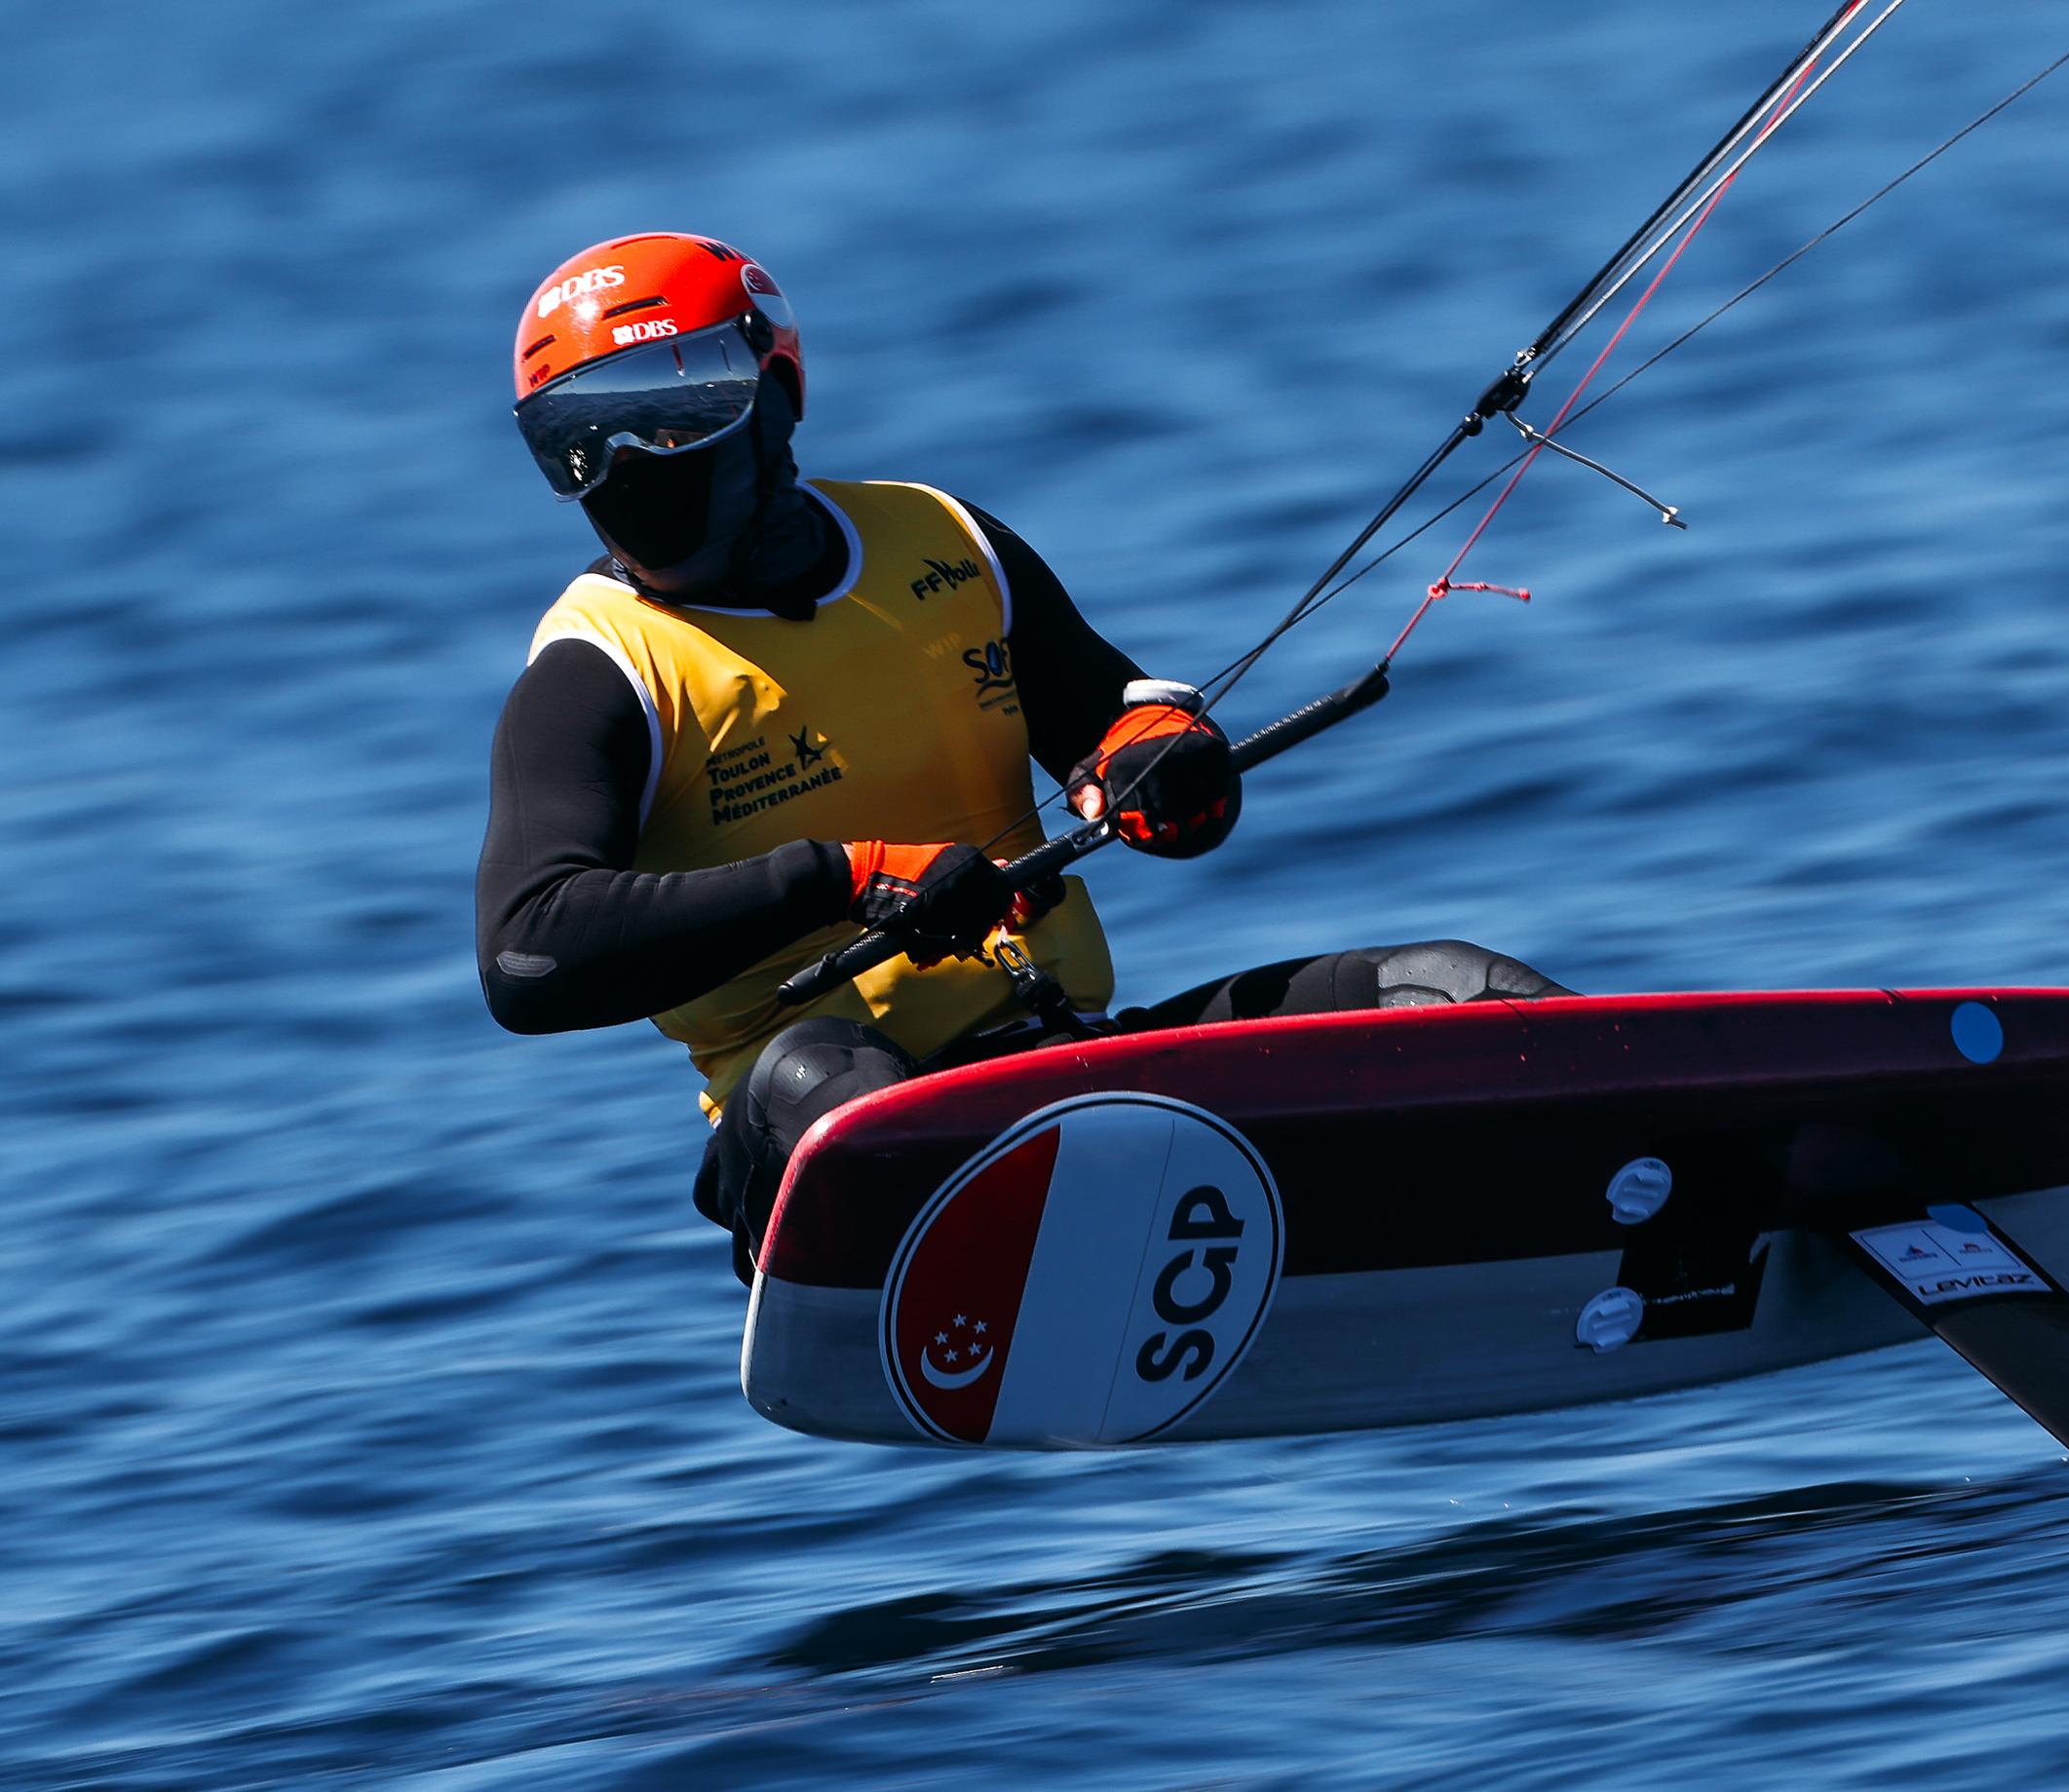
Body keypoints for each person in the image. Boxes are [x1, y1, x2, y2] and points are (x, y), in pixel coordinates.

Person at [477, 233, 1566, 1282]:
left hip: (1071, 1060)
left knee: (1454, 987)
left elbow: (1124, 740)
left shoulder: (943, 541)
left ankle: (1628, 1206)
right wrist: (852, 879)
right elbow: (527, 957)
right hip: (820, 1122)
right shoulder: (596, 672)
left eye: (672, 410)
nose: (625, 463)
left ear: (775, 389)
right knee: (832, 1077)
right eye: (579, 436)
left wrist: (1163, 768)